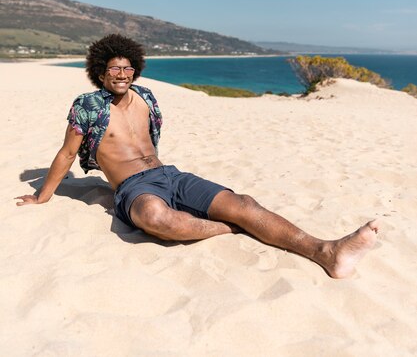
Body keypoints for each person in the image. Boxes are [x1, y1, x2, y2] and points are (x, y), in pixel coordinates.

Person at [16, 34, 379, 278]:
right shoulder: (87, 106)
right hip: (133, 188)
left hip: (170, 175)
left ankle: (326, 251)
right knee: (157, 218)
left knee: (245, 203)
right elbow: (66, 153)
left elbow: (152, 143)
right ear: (100, 72)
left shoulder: (146, 97)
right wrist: (41, 195)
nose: (122, 74)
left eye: (128, 68)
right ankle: (230, 228)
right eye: (114, 68)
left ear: (136, 69)